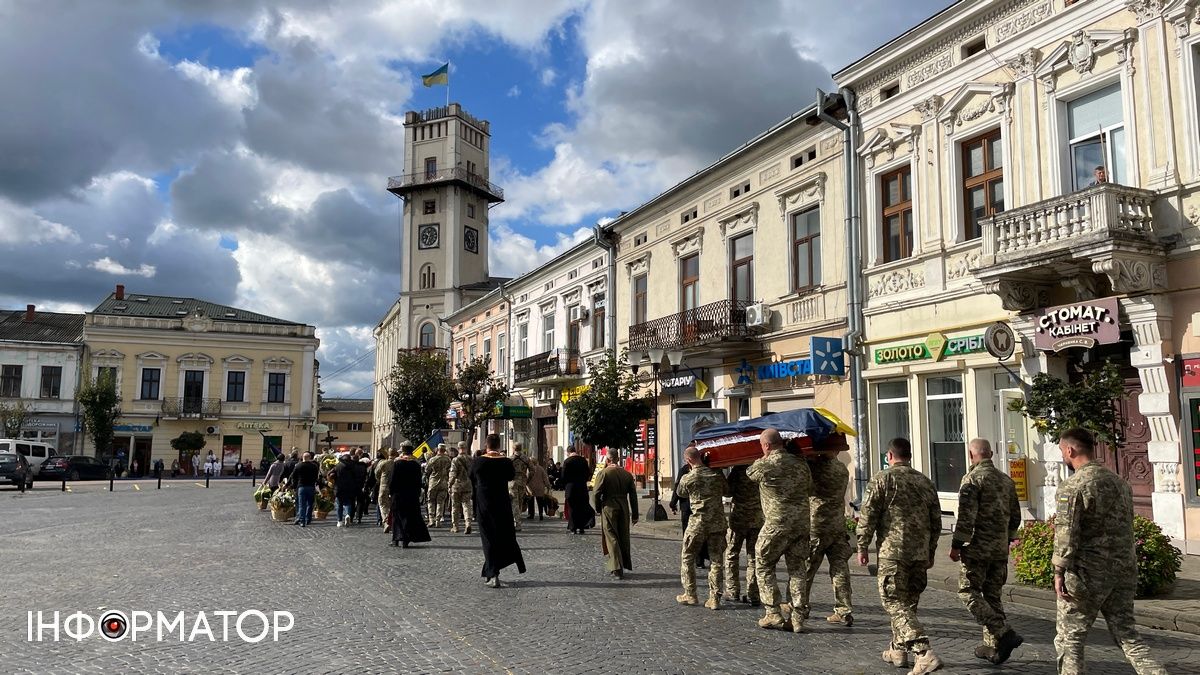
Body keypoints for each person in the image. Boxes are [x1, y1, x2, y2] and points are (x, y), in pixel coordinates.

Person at [1052, 428, 1166, 675]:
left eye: (1061, 450)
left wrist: (1059, 570)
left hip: (1087, 572)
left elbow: (1066, 534)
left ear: (1070, 450)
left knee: (1069, 639)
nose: (1063, 455)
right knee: (1127, 634)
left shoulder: (1072, 486)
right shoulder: (1119, 482)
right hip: (1123, 568)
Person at [857, 437, 943, 674]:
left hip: (892, 553)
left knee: (894, 602)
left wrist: (862, 547)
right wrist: (931, 551)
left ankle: (924, 652)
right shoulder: (925, 482)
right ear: (910, 456)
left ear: (890, 456)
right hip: (919, 553)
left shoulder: (882, 479)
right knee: (908, 605)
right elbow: (936, 521)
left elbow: (868, 517)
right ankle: (898, 650)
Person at [951, 438, 1023, 664]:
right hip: (999, 550)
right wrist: (1009, 539)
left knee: (967, 592)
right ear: (990, 453)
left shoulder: (972, 479)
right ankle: (995, 647)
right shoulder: (1006, 481)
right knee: (992, 596)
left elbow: (966, 517)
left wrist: (956, 545)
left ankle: (1003, 632)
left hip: (977, 550)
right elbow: (1016, 516)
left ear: (971, 455)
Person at [748, 429, 811, 632]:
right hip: (801, 524)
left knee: (764, 563)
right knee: (798, 569)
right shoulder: (801, 465)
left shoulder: (764, 465)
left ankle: (773, 613)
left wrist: (763, 457)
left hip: (776, 524)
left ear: (766, 446)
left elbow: (750, 473)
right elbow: (810, 486)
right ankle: (798, 617)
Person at [802, 450, 854, 627]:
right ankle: (844, 610)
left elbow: (806, 488)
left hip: (817, 524)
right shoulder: (842, 469)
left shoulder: (814, 468)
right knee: (840, 569)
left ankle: (801, 606)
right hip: (837, 524)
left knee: (807, 568)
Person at [675, 445, 729, 610]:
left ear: (689, 460)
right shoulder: (716, 475)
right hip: (717, 522)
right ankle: (715, 599)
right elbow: (727, 491)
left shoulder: (688, 478)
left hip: (698, 523)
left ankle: (690, 594)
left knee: (688, 557)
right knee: (717, 560)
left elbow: (681, 493)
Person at [471, 434, 526, 588]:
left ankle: (493, 573)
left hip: (484, 504)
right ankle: (493, 568)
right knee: (503, 536)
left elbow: (471, 477)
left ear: (486, 445)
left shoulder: (478, 461)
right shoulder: (506, 462)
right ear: (499, 445)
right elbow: (511, 476)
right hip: (502, 504)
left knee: (488, 538)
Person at [593, 448, 639, 579]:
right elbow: (633, 496)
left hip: (609, 506)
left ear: (607, 460)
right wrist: (635, 514)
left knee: (611, 536)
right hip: (624, 506)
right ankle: (623, 563)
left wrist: (597, 508)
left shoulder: (604, 473)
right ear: (618, 458)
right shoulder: (627, 474)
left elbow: (596, 493)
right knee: (623, 535)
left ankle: (616, 567)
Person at [724, 464, 762, 606]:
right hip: (757, 518)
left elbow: (727, 492)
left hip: (739, 518)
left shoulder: (738, 470)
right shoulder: (760, 468)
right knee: (754, 557)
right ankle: (753, 593)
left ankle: (733, 591)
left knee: (732, 554)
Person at [389, 445, 432, 549]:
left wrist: (390, 492)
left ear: (402, 452)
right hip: (412, 495)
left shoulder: (398, 463)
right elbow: (418, 481)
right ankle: (406, 539)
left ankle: (396, 539)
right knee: (409, 517)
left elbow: (393, 479)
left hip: (399, 494)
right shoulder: (416, 465)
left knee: (397, 517)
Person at [671, 456, 708, 568]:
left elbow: (678, 487)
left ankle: (694, 559)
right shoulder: (707, 470)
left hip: (687, 506)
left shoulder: (685, 470)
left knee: (689, 534)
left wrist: (673, 502)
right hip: (702, 507)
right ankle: (700, 559)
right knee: (701, 533)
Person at [561, 447, 594, 534]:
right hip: (582, 488)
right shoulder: (583, 460)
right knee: (581, 507)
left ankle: (573, 528)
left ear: (568, 452)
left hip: (571, 488)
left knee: (572, 508)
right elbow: (588, 473)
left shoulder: (567, 461)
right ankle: (582, 527)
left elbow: (563, 476)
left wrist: (566, 483)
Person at [449, 441, 474, 533]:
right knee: (466, 505)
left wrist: (449, 484)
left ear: (458, 448)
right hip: (467, 485)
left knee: (455, 506)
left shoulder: (455, 460)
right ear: (466, 448)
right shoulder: (471, 459)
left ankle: (455, 526)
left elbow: (453, 474)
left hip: (457, 485)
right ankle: (468, 523)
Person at [331, 453, 362, 527]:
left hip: (339, 487)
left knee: (339, 504)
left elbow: (330, 473)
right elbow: (356, 477)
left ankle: (339, 521)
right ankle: (348, 515)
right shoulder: (353, 466)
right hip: (350, 487)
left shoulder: (338, 466)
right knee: (348, 503)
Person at [425, 445, 452, 527]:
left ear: (438, 450)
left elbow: (427, 470)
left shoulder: (432, 459)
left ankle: (431, 519)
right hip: (444, 482)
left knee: (431, 501)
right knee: (441, 502)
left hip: (433, 482)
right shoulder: (448, 460)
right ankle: (438, 520)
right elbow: (450, 470)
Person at [508, 443, 532, 532]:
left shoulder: (510, 459)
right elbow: (532, 470)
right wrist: (527, 480)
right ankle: (518, 521)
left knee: (514, 502)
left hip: (512, 482)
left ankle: (517, 523)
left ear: (513, 448)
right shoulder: (526, 458)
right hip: (522, 482)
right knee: (520, 502)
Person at [292, 452, 320, 527]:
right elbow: (316, 476)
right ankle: (308, 519)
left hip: (301, 486)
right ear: (310, 458)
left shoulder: (298, 465)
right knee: (310, 504)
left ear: (303, 457)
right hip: (311, 486)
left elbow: (294, 477)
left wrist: (294, 487)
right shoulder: (314, 466)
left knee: (302, 505)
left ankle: (302, 521)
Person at [374, 448, 397, 531]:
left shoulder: (383, 462)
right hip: (395, 487)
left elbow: (377, 473)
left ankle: (386, 522)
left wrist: (379, 480)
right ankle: (393, 522)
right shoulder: (398, 462)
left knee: (383, 504)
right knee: (393, 505)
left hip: (384, 485)